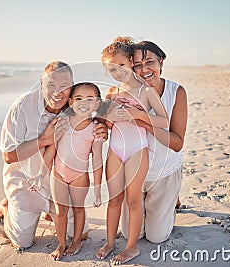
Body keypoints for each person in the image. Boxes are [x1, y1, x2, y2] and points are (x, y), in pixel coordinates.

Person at [0, 61, 108, 250]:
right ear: (41, 84)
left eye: (64, 86)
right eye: (51, 85)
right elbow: (8, 156)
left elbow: (101, 106)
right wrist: (43, 139)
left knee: (81, 233)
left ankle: (50, 210)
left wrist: (103, 126)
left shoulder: (74, 107)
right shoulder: (22, 107)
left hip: (59, 182)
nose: (57, 92)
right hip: (28, 182)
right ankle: (7, 205)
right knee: (22, 242)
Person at [96, 37, 168, 265]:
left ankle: (131, 247)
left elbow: (163, 120)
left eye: (121, 66)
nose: (118, 73)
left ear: (130, 61)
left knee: (133, 200)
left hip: (138, 150)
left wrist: (137, 115)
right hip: (115, 150)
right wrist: (106, 117)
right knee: (114, 199)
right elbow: (105, 124)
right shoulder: (110, 92)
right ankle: (109, 242)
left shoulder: (146, 91)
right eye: (112, 70)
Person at [119, 40, 188, 244]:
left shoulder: (176, 92)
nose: (144, 69)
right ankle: (163, 204)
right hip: (134, 174)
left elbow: (177, 143)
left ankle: (171, 199)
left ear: (161, 63)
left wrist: (142, 119)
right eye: (138, 65)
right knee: (129, 233)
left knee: (156, 237)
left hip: (164, 170)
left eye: (150, 62)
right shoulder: (123, 94)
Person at [47, 82, 106, 260]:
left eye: (89, 99)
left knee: (79, 209)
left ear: (97, 103)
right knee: (60, 211)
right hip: (58, 172)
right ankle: (61, 243)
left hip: (79, 176)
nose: (83, 103)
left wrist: (97, 191)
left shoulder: (95, 129)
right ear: (71, 102)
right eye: (79, 98)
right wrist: (38, 176)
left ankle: (77, 241)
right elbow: (51, 149)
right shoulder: (62, 122)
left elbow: (97, 160)